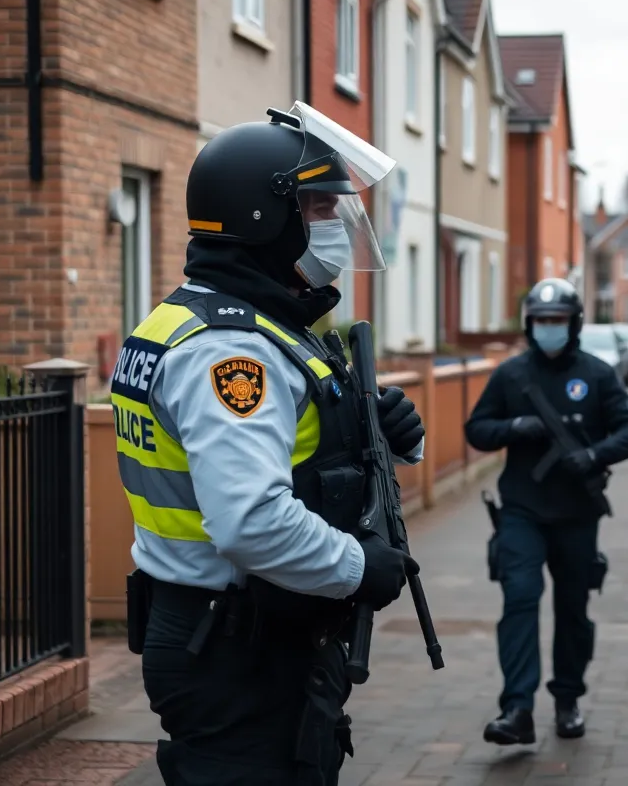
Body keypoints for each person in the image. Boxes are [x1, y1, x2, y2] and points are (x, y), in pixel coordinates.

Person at [112, 102, 425, 785]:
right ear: (261, 216)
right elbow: (251, 522)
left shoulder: (215, 320)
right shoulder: (230, 353)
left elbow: (293, 450)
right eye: (316, 208)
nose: (333, 226)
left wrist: (384, 433)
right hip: (234, 645)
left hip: (238, 631)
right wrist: (359, 567)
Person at [464, 278, 628, 745]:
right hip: (522, 512)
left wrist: (595, 455)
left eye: (557, 321)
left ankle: (567, 699)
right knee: (520, 599)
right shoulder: (510, 375)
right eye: (541, 321)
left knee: (573, 609)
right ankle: (517, 709)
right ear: (529, 324)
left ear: (575, 323)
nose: (549, 328)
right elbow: (477, 429)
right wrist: (513, 426)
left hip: (577, 515)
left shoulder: (598, 375)